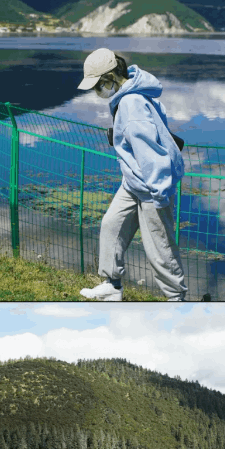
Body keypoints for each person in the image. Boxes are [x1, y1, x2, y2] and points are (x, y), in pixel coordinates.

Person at [77, 47, 188, 302]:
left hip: (151, 187)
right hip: (133, 183)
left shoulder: (131, 103)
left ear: (110, 77)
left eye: (97, 84)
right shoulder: (132, 93)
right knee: (111, 225)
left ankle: (176, 300)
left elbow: (150, 151)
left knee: (160, 248)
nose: (97, 91)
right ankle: (111, 286)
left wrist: (159, 193)